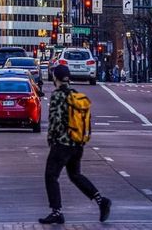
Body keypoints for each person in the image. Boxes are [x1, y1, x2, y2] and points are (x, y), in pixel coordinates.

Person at [39, 63, 111, 225]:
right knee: (75, 175)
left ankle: (56, 212)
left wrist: (51, 139)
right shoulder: (75, 94)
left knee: (51, 176)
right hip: (77, 143)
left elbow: (56, 120)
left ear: (55, 78)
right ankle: (101, 201)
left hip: (62, 143)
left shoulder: (58, 95)